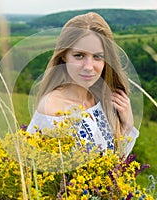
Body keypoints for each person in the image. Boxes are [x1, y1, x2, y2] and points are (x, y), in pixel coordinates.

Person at [26, 12, 139, 157]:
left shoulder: (103, 99)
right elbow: (33, 168)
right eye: (79, 55)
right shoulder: (52, 109)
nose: (88, 66)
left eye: (97, 57)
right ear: (63, 56)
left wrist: (127, 127)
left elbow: (116, 165)